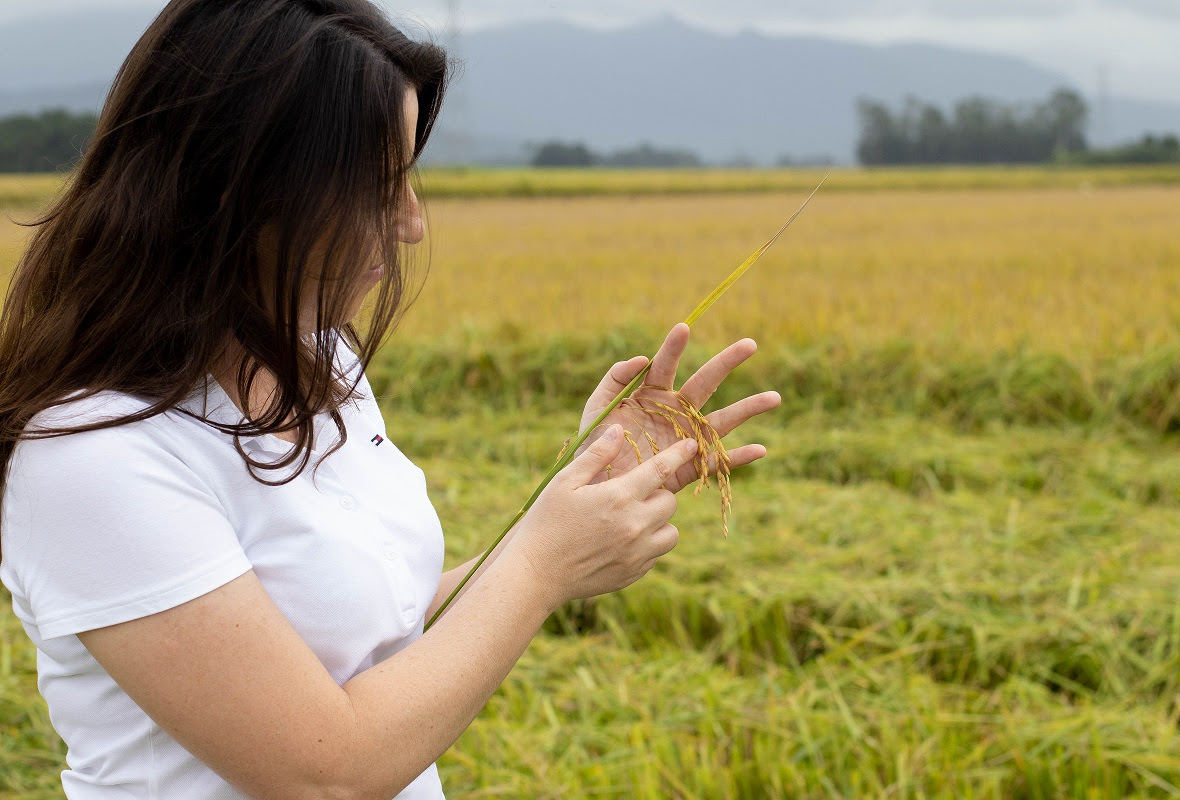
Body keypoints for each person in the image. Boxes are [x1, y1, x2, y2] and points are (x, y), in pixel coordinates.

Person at [0, 1, 782, 798]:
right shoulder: (89, 453)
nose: (411, 224)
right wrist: (544, 563)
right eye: (377, 186)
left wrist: (583, 493)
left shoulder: (318, 358)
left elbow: (379, 632)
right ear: (242, 188)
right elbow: (325, 774)